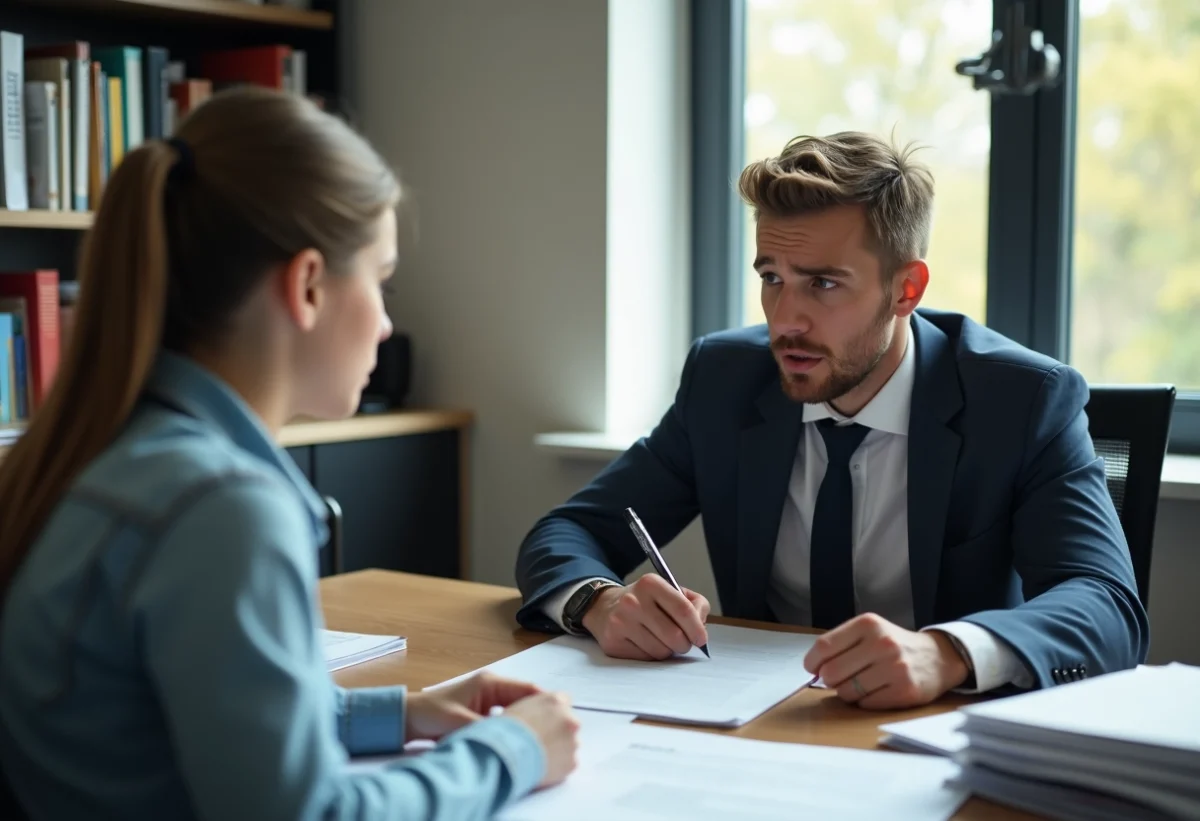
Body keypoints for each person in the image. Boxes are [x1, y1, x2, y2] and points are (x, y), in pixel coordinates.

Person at [0, 86, 578, 821]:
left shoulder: (96, 449)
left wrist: (394, 712)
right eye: (381, 278)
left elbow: (162, 718)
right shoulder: (220, 505)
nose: (387, 320)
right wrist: (511, 753)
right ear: (307, 285)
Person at [515, 131, 1149, 710]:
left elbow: (1108, 606)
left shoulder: (1023, 402)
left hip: (943, 730)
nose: (784, 318)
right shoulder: (725, 381)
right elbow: (570, 531)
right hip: (761, 721)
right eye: (772, 277)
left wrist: (946, 652)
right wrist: (598, 603)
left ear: (906, 289)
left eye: (821, 284)